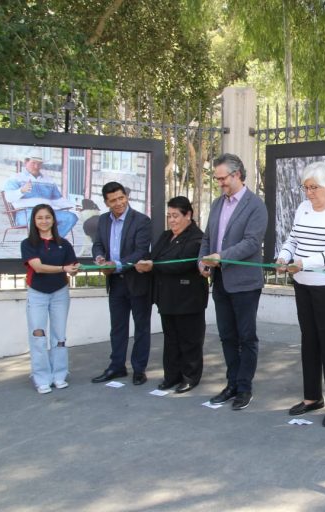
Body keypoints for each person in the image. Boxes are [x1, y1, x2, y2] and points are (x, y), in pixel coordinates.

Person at [277, 161, 325, 427]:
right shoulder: (303, 208)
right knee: (309, 339)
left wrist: (304, 262)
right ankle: (312, 397)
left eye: (314, 188)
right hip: (303, 282)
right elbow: (293, 238)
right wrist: (284, 255)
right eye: (305, 188)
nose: (309, 193)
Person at [199, 153, 267, 410]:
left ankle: (244, 388)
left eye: (222, 178)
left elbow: (251, 242)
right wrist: (202, 262)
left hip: (245, 284)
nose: (220, 183)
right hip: (220, 282)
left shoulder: (255, 205)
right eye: (217, 179)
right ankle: (232, 383)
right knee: (227, 336)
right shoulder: (217, 204)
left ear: (237, 174)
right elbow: (207, 239)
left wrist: (221, 257)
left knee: (246, 337)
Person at [135, 196, 208, 393]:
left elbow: (182, 263)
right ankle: (172, 376)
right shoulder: (166, 236)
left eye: (176, 216)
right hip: (166, 297)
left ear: (188, 215)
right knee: (171, 339)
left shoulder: (197, 238)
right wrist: (145, 263)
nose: (172, 220)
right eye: (169, 216)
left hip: (188, 298)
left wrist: (154, 265)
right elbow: (155, 256)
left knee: (189, 339)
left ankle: (190, 376)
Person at [91, 182, 153, 385]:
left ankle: (138, 369)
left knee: (141, 327)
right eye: (113, 200)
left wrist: (116, 264)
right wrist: (100, 258)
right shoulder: (103, 220)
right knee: (117, 327)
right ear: (106, 202)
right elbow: (98, 244)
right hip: (116, 283)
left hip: (137, 282)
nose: (118, 203)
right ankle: (117, 367)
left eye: (121, 198)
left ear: (126, 196)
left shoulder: (142, 220)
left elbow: (141, 252)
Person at [21, 204, 80, 394]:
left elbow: (72, 266)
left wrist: (74, 268)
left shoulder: (64, 243)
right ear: (34, 221)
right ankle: (41, 377)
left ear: (54, 220)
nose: (44, 221)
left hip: (60, 294)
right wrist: (63, 269)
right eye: (40, 218)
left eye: (48, 217)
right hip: (37, 294)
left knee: (59, 336)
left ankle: (59, 375)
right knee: (38, 336)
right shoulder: (28, 243)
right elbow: (37, 267)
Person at [4, 152, 78, 238]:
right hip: (26, 213)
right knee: (38, 218)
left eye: (39, 164)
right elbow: (8, 198)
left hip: (47, 212)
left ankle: (52, 241)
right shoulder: (15, 178)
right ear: (26, 162)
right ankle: (40, 244)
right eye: (33, 163)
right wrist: (21, 191)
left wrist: (75, 207)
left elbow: (58, 200)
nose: (36, 167)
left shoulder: (49, 180)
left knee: (71, 217)